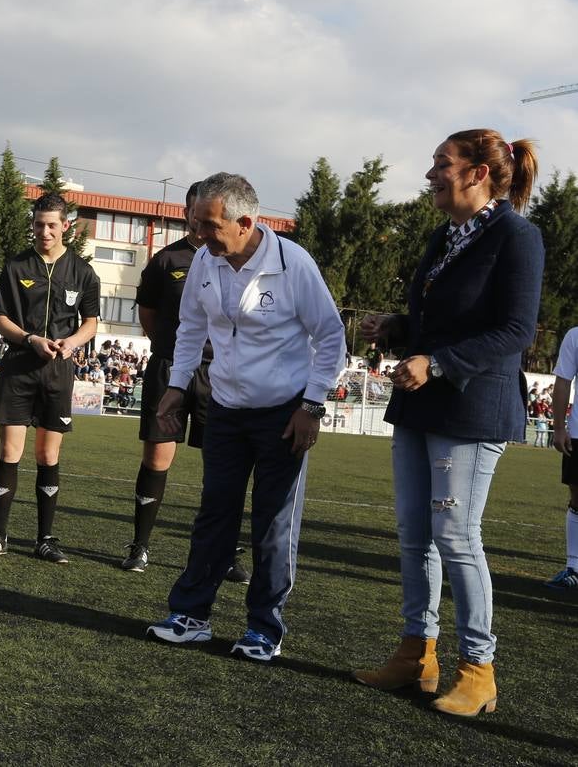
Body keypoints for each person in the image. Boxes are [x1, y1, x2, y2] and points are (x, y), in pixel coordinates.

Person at [353, 129, 543, 717]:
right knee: (415, 536)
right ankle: (417, 655)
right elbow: (444, 319)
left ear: (478, 174)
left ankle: (478, 671)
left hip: (471, 408)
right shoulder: (446, 236)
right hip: (423, 404)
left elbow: (516, 331)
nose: (431, 173)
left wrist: (435, 362)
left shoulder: (517, 236)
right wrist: (398, 330)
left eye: (442, 163)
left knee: (456, 539)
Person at [145, 172, 343, 662]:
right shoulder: (206, 263)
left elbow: (331, 337)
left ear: (246, 222)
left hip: (283, 415)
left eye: (209, 226)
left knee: (274, 522)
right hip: (224, 409)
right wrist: (176, 389)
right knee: (215, 512)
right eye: (194, 225)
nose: (200, 236)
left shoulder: (293, 264)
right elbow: (191, 327)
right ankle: (192, 614)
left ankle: (264, 627)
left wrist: (311, 406)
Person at [124, 182, 249, 584]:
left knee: (222, 464)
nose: (199, 221)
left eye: (207, 214)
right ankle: (140, 546)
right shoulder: (165, 260)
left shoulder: (237, 260)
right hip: (169, 370)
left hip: (220, 374)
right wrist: (170, 351)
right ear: (187, 212)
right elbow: (148, 316)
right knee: (157, 458)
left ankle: (225, 553)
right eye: (194, 212)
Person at [0, 192, 100, 563]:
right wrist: (30, 339)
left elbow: (90, 322)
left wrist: (71, 342)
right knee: (10, 451)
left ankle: (46, 538)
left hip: (58, 372)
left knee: (48, 453)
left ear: (66, 227)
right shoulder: (16, 267)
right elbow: (0, 318)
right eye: (39, 224)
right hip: (18, 368)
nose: (44, 231)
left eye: (52, 225)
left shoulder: (84, 272)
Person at [548, 326, 578, 591]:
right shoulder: (575, 335)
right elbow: (563, 380)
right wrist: (559, 427)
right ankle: (574, 567)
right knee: (577, 498)